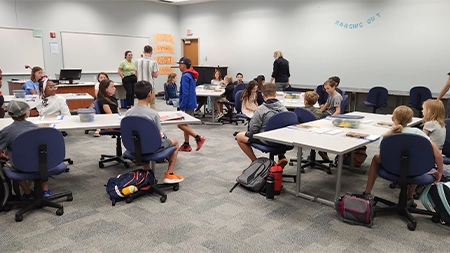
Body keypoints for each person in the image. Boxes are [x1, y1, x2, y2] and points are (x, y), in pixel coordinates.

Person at [363, 106, 443, 205]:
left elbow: (383, 153)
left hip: (391, 167)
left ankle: (367, 191)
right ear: (410, 120)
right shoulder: (418, 133)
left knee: (376, 157)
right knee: (414, 158)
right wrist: (440, 171)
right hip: (415, 169)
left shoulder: (387, 134)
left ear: (393, 118)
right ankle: (409, 197)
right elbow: (438, 154)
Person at [125, 81, 183, 183]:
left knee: (143, 138)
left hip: (134, 147)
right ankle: (169, 174)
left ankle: (147, 173)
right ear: (149, 94)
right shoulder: (153, 114)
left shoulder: (128, 113)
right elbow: (158, 135)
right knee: (175, 141)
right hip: (152, 147)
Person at [0, 99, 53, 199]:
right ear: (27, 113)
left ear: (10, 114)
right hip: (41, 163)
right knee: (42, 156)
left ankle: (28, 193)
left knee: (8, 162)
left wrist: (3, 155)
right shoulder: (37, 128)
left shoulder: (6, 132)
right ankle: (45, 190)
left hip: (20, 165)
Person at [235, 82, 288, 166]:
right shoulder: (284, 108)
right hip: (282, 140)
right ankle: (281, 156)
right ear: (275, 94)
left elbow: (253, 130)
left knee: (239, 136)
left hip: (267, 140)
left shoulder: (260, 110)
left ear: (262, 95)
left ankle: (255, 161)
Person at [176, 57, 206, 152]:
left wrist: (182, 106)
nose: (179, 66)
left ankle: (198, 138)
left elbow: (185, 92)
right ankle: (186, 144)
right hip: (191, 102)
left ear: (184, 65)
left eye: (180, 64)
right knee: (185, 124)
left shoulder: (185, 76)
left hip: (187, 103)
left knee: (180, 125)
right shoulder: (191, 75)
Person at [135, 45, 159, 110]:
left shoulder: (137, 61)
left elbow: (136, 73)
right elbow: (155, 75)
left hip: (140, 84)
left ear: (143, 51)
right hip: (150, 84)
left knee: (140, 102)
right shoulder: (154, 62)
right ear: (151, 53)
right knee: (152, 103)